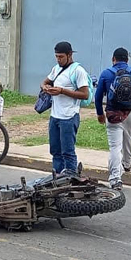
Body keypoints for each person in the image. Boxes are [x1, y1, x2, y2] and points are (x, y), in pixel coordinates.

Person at [94, 47, 131, 190]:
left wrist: (100, 113)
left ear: (113, 59)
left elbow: (98, 96)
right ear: (127, 60)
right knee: (129, 137)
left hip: (113, 115)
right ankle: (127, 164)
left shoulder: (106, 73)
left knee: (115, 147)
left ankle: (115, 179)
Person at [40, 41, 90, 173]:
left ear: (70, 55)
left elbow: (85, 94)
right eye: (56, 56)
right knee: (55, 150)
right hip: (54, 116)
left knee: (67, 151)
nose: (58, 59)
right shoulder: (56, 69)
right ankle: (58, 177)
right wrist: (45, 87)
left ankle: (71, 178)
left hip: (69, 116)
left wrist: (62, 91)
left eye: (61, 57)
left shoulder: (78, 71)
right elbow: (45, 81)